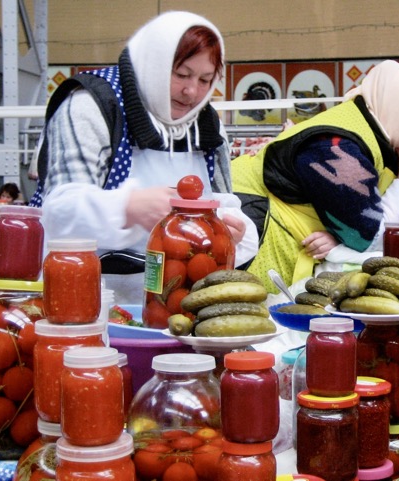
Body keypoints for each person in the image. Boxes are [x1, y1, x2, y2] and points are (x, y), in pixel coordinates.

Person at [30, 11, 258, 301]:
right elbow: (58, 212)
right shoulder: (92, 107)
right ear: (154, 64)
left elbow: (222, 200)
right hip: (83, 295)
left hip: (176, 303)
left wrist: (229, 230)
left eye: (205, 79)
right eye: (182, 74)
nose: (192, 92)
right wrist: (127, 207)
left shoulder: (207, 126)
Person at [231, 60, 399, 292]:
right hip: (256, 245)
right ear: (396, 112)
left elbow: (359, 225)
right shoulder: (335, 147)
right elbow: (368, 235)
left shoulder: (371, 138)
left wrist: (342, 235)